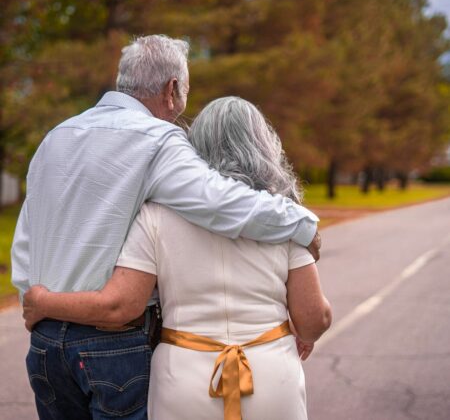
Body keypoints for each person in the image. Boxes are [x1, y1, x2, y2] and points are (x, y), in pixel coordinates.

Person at [12, 35, 321, 420]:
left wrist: (36, 300)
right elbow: (220, 201)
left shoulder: (56, 137)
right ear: (172, 90)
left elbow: (26, 238)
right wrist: (302, 222)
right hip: (112, 345)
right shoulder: (159, 140)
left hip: (44, 342)